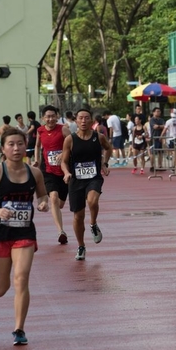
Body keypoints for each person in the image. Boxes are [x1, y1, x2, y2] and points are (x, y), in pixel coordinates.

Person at [0, 128, 49, 346]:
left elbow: (42, 194)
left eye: (20, 144)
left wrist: (43, 203)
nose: (16, 148)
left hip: (24, 232)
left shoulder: (34, 173)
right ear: (3, 149)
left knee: (21, 278)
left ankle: (19, 329)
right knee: (0, 288)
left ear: (26, 146)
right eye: (11, 144)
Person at [61, 109, 112, 261]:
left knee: (92, 200)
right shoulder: (70, 139)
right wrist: (66, 173)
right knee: (78, 216)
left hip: (93, 177)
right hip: (76, 179)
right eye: (80, 118)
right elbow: (64, 161)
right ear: (76, 121)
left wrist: (104, 163)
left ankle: (93, 224)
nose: (83, 121)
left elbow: (109, 148)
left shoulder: (99, 137)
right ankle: (81, 245)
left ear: (91, 121)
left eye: (86, 118)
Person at [33, 105, 71, 244]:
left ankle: (54, 210)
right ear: (43, 118)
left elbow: (73, 144)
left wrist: (63, 153)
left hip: (64, 171)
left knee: (60, 204)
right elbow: (37, 145)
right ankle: (61, 231)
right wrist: (36, 159)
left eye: (52, 116)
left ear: (57, 116)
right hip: (48, 170)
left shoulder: (63, 129)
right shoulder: (40, 130)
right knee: (53, 198)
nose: (50, 119)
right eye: (47, 116)